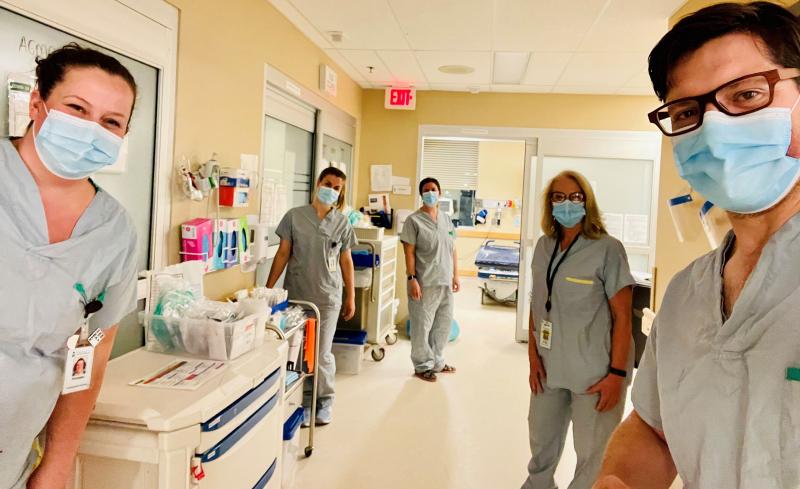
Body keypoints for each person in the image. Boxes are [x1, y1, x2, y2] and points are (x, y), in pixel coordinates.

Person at [593, 3, 800, 489]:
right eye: (688, 112)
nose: (715, 128)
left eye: (747, 95)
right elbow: (656, 428)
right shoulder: (688, 292)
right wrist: (619, 479)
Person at [0, 44, 139, 489]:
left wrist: (58, 463)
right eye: (76, 108)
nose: (90, 129)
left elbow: (93, 346)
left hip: (12, 455)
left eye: (110, 122)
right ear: (37, 104)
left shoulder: (114, 234)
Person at [522, 171, 634, 489]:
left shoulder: (607, 249)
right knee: (541, 442)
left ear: (587, 202)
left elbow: (623, 317)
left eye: (575, 197)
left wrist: (616, 375)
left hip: (596, 370)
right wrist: (533, 356)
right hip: (548, 364)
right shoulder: (544, 247)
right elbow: (536, 303)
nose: (567, 203)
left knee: (593, 454)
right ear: (549, 203)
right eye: (559, 197)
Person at [267, 167, 357, 426]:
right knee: (299, 352)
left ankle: (324, 401)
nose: (331, 189)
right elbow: (283, 254)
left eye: (337, 187)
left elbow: (346, 260)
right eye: (327, 183)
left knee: (321, 353)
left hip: (328, 297)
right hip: (297, 295)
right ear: (318, 183)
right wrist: (269, 290)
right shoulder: (295, 217)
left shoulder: (342, 222)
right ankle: (304, 403)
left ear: (340, 192)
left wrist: (350, 296)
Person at [400, 177, 460, 383]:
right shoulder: (413, 221)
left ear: (440, 193)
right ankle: (422, 365)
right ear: (421, 194)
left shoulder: (446, 219)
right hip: (424, 281)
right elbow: (408, 252)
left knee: (443, 324)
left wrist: (456, 275)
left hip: (445, 280)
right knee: (421, 326)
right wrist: (411, 278)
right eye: (426, 190)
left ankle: (437, 361)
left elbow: (453, 249)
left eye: (433, 189)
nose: (430, 193)